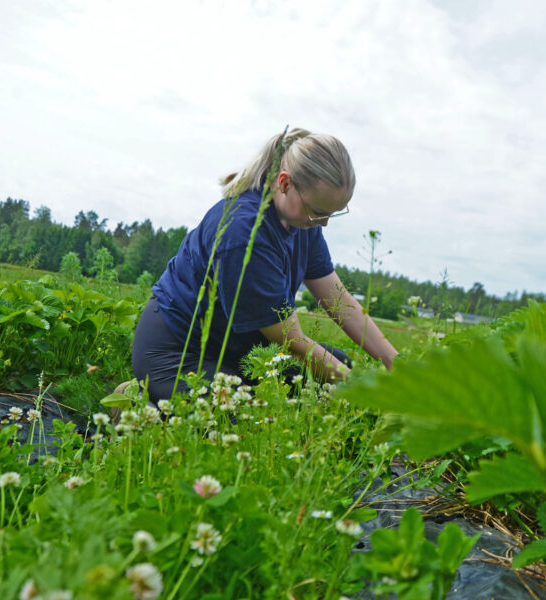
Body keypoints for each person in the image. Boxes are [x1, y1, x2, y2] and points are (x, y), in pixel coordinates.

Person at [129, 128, 399, 401]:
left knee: (335, 369)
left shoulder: (304, 222)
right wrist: (367, 392)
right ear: (285, 184)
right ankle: (139, 401)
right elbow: (292, 342)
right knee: (238, 414)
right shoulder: (244, 233)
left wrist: (398, 366)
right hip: (179, 351)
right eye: (319, 212)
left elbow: (338, 300)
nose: (324, 223)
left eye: (333, 213)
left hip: (242, 349)